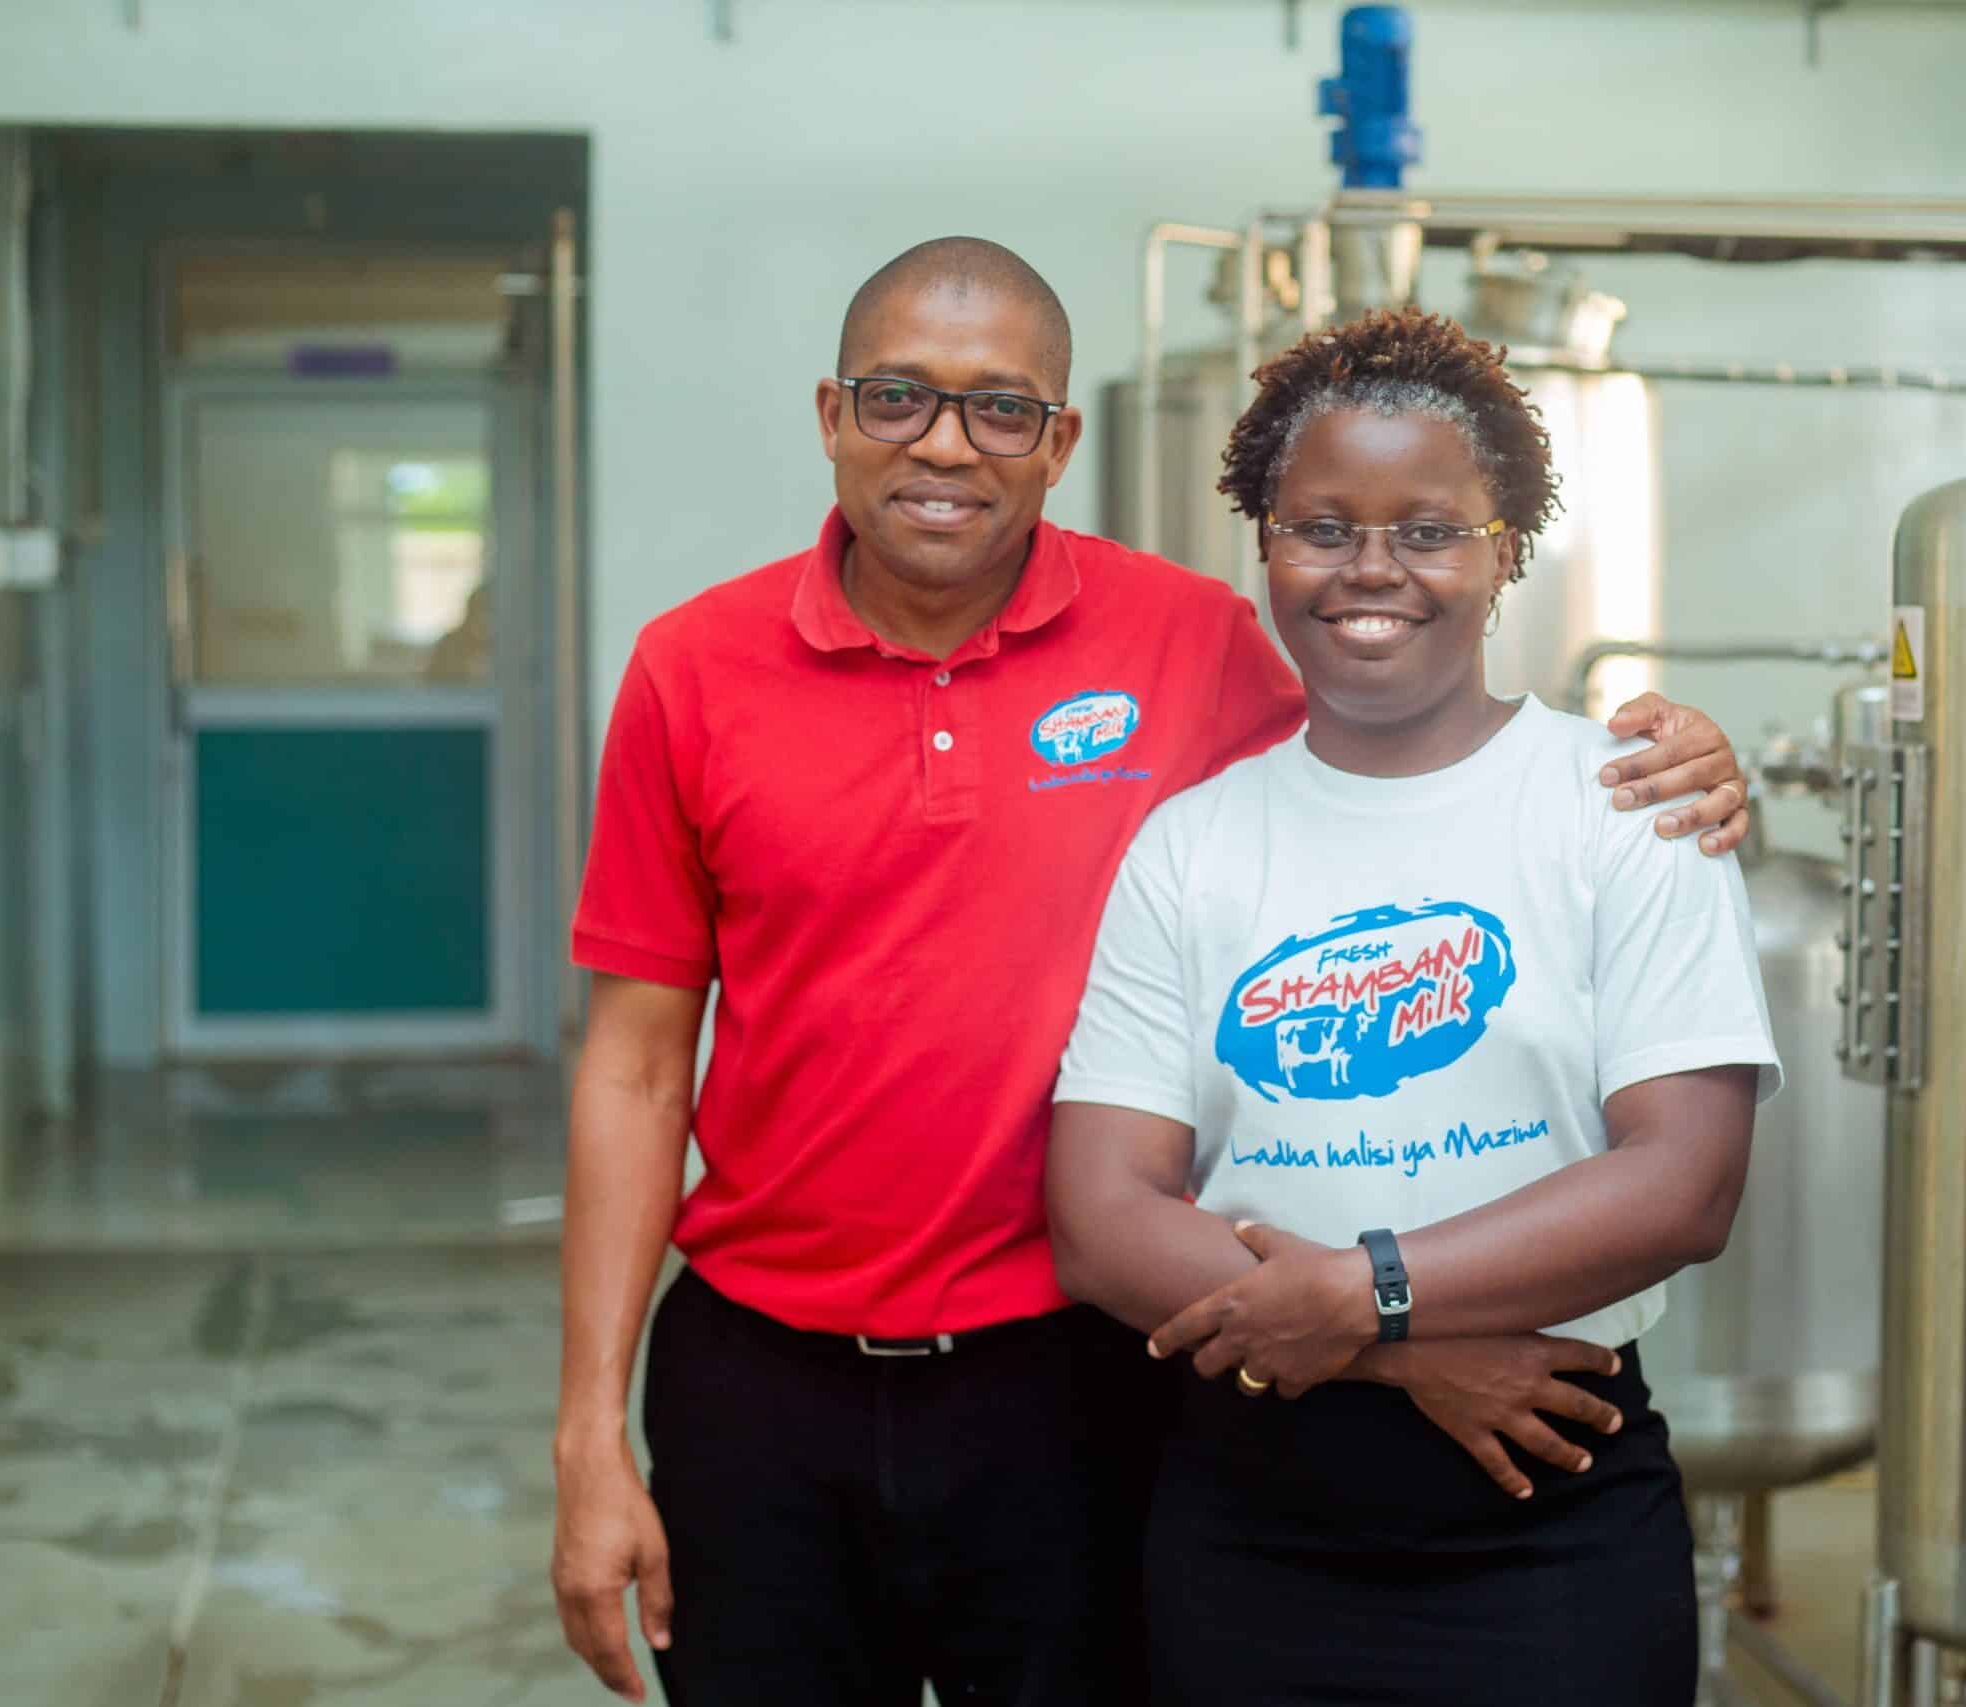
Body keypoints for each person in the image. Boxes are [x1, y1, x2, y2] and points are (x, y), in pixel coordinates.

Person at [548, 238, 1758, 1707]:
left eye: (1001, 409)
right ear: (830, 414)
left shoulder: (1188, 646)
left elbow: (1398, 776)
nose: (944, 445)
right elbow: (632, 1065)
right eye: (897, 399)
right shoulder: (693, 670)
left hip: (1078, 1379)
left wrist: (1674, 770)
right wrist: (586, 1435)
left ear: (1060, 443)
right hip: (760, 1374)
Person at [1047, 305, 1780, 1707]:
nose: (1371, 569)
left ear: (1505, 554)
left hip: (1551, 1509)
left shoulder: (1625, 806)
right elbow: (1100, 1215)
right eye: (1322, 526)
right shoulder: (1193, 843)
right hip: (1249, 1523)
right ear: (1265, 542)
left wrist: (1362, 1287)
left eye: (1429, 529)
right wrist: (1394, 1343)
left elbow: (1685, 1182)